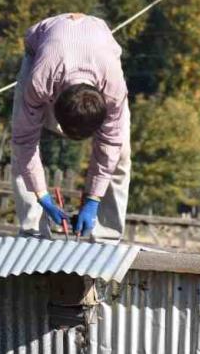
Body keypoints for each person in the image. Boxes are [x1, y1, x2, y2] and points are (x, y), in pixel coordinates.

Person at [10, 13, 130, 242]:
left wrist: (93, 199)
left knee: (120, 154)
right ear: (54, 109)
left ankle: (107, 236)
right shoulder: (39, 82)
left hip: (98, 53)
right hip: (42, 52)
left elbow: (111, 143)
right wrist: (42, 196)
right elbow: (24, 141)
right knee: (20, 143)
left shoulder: (113, 89)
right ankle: (32, 232)